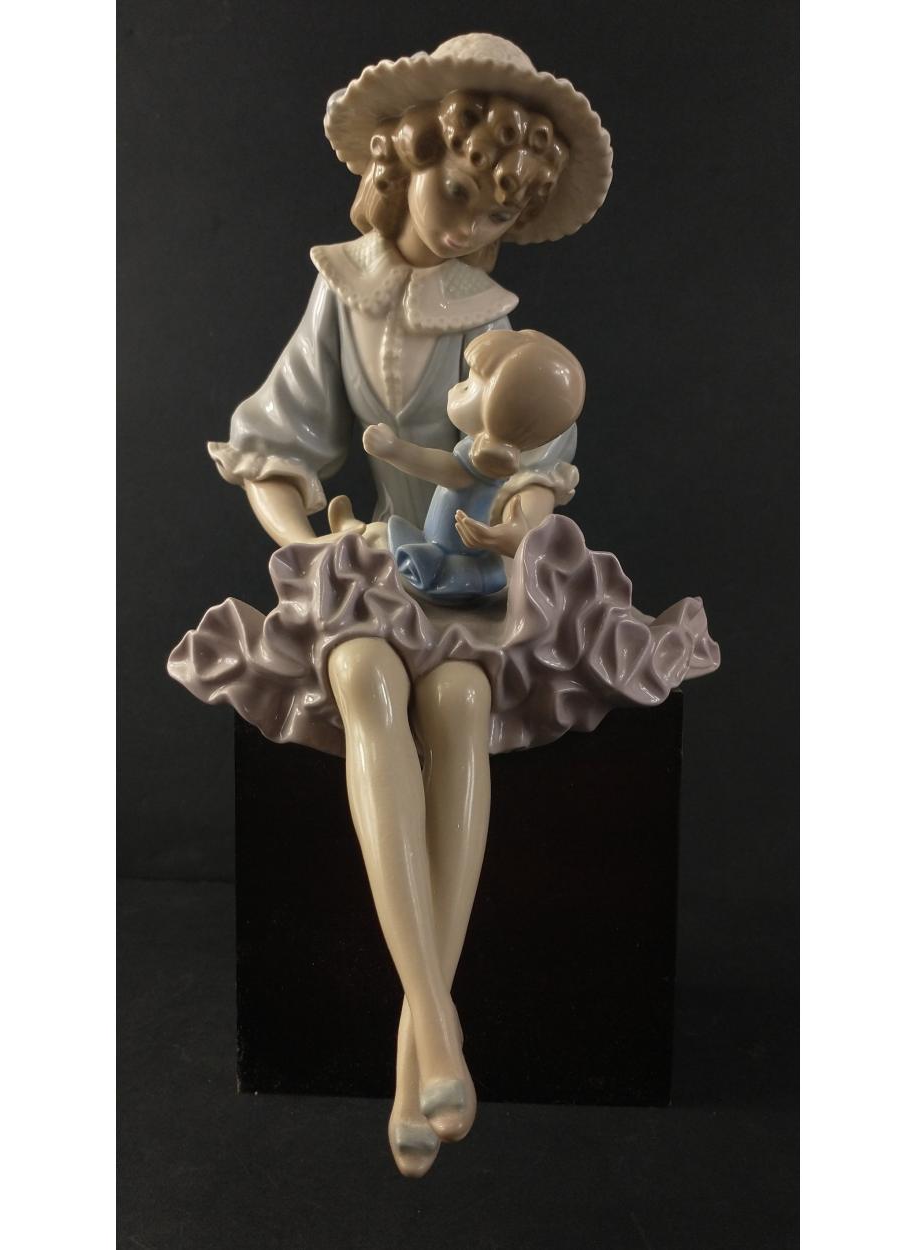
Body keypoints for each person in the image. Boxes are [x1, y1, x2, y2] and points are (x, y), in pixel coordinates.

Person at [167, 34, 719, 1177]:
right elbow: (273, 442)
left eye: (494, 216)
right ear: (402, 161)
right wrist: (306, 538)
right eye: (457, 195)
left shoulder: (489, 317)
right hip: (371, 561)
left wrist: (518, 515)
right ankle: (435, 1025)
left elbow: (529, 457)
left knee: (461, 701)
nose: (468, 230)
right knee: (366, 680)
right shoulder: (340, 294)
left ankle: (418, 1039)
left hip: (461, 574)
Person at [365, 328, 586, 602]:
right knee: (380, 536)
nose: (456, 387)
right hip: (447, 545)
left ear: (498, 415)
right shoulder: (485, 460)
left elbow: (430, 464)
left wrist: (393, 449)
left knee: (380, 546)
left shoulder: (473, 469)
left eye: (469, 387)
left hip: (445, 555)